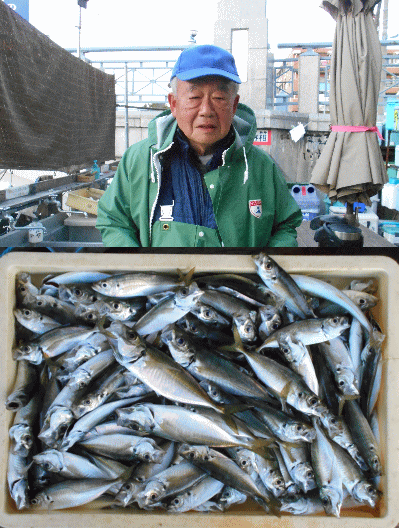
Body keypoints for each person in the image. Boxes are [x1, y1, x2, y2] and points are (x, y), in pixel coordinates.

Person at [96, 44, 303, 247]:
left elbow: (285, 225)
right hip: (163, 282)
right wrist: (139, 272)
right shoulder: (140, 160)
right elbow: (114, 221)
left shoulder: (261, 166)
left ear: (234, 105)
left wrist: (265, 269)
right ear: (174, 104)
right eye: (194, 97)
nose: (206, 110)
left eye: (219, 98)